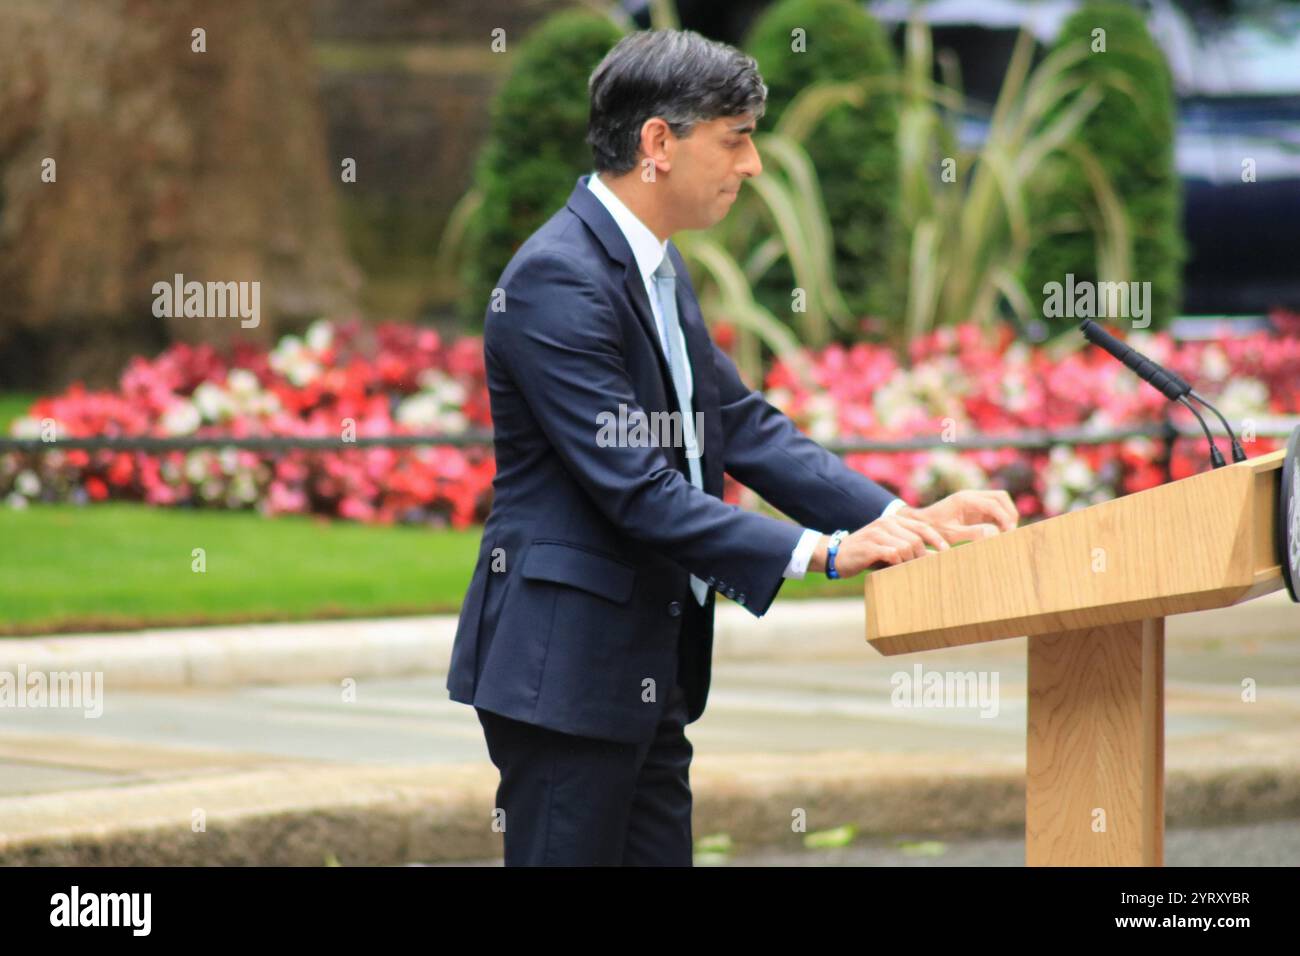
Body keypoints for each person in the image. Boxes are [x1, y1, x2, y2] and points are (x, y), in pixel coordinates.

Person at [445, 28, 1018, 866]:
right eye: (736, 137)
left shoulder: (654, 267)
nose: (752, 165)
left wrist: (900, 517)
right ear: (657, 144)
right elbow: (637, 488)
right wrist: (822, 553)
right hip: (564, 673)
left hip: (647, 668)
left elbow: (740, 424)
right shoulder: (557, 278)